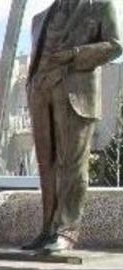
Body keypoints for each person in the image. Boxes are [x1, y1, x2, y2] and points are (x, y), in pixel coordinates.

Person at [24, 0, 121, 253]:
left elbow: (115, 46)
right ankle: (47, 229)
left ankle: (66, 231)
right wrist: (32, 86)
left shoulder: (101, 6)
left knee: (72, 163)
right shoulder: (39, 18)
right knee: (46, 165)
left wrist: (75, 54)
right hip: (40, 92)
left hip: (76, 94)